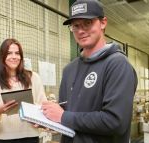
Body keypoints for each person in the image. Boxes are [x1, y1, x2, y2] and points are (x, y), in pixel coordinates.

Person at [41, 0, 138, 143]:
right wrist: (46, 119)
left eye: (87, 23)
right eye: (75, 25)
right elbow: (64, 111)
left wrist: (63, 116)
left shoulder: (118, 64)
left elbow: (115, 121)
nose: (81, 30)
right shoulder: (69, 70)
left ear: (103, 23)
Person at [0, 38, 47, 143]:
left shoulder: (34, 78)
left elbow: (43, 106)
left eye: (17, 53)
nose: (14, 57)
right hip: (1, 139)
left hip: (30, 137)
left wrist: (37, 116)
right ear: (2, 56)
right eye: (9, 53)